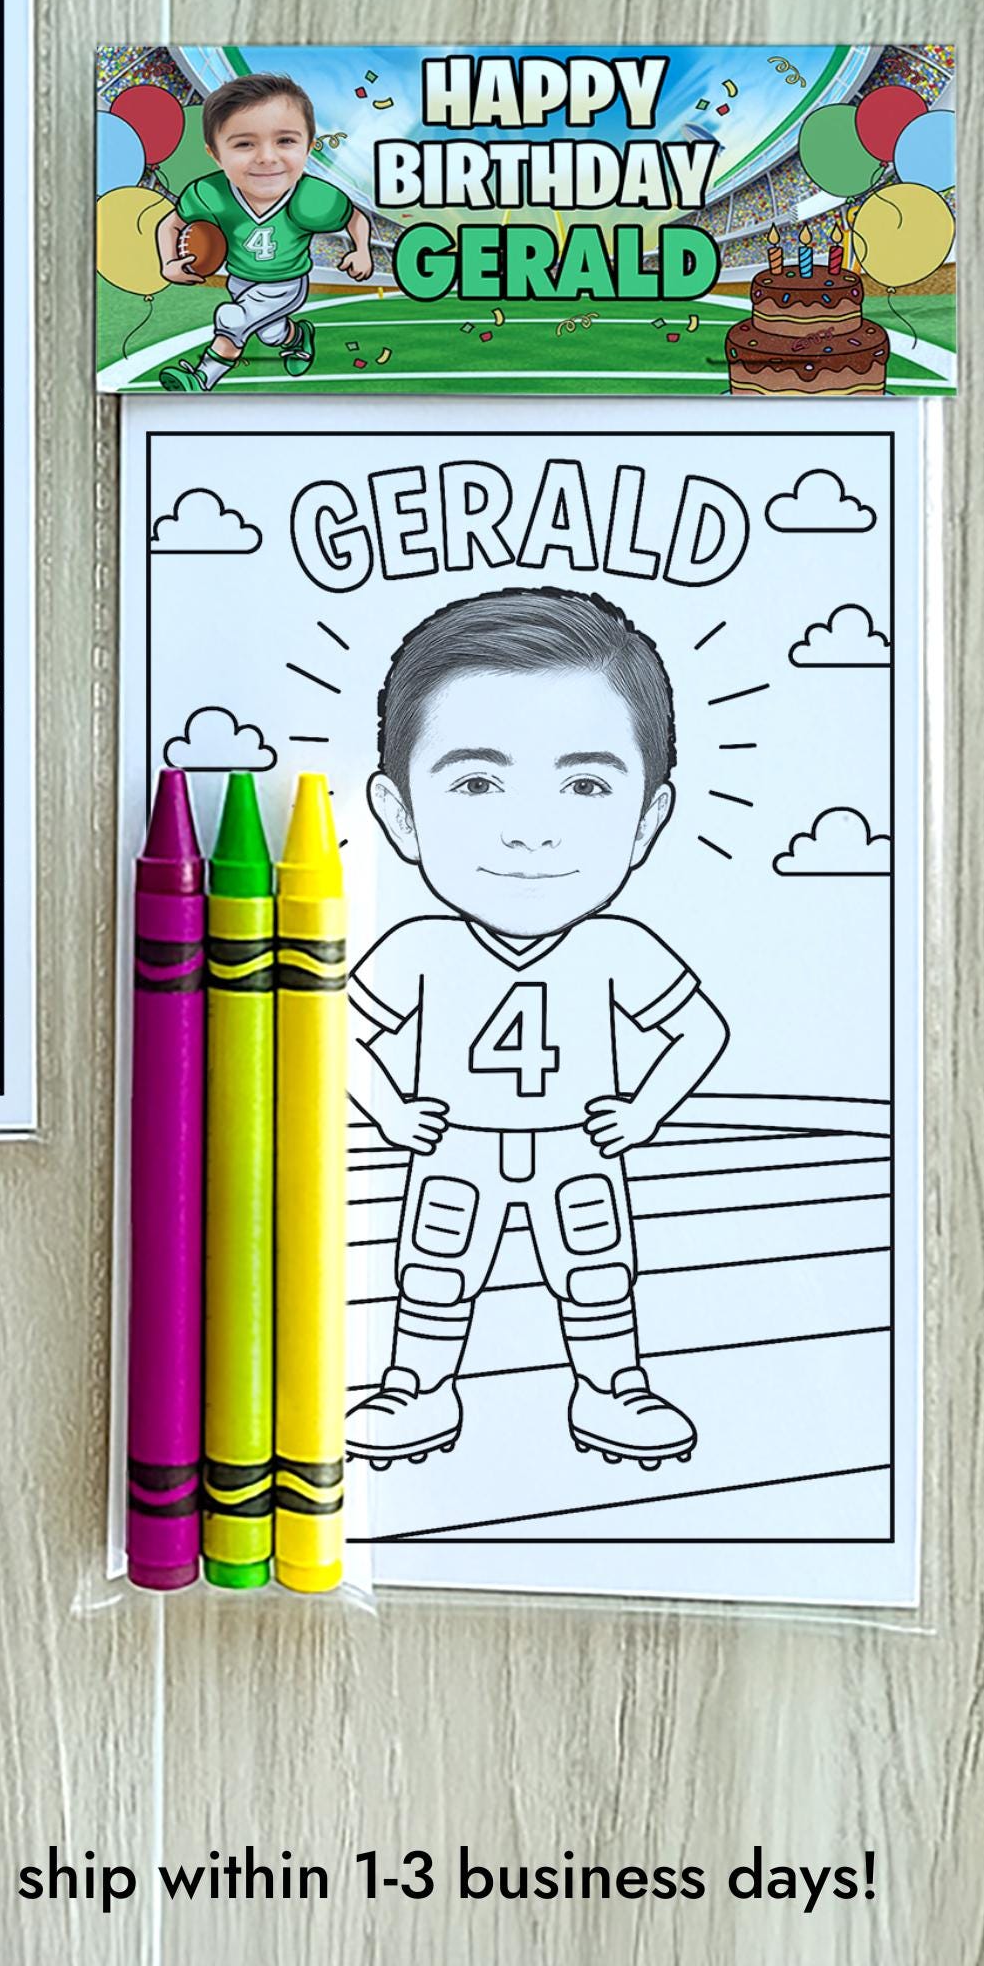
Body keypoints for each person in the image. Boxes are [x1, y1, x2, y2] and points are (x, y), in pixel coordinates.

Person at [344, 587, 729, 1469]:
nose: (530, 832)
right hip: (456, 1144)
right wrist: (392, 1111)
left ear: (648, 820)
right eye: (478, 783)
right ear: (399, 815)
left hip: (575, 1145)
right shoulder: (418, 948)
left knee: (596, 1271)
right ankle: (415, 1386)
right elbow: (338, 1034)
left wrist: (644, 1112)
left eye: (584, 784)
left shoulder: (620, 950)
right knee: (434, 1269)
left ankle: (614, 1386)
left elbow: (699, 1032)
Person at [152, 72, 371, 388]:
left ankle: (202, 378)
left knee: (233, 320)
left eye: (285, 141)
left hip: (285, 283)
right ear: (215, 154)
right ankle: (297, 336)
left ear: (309, 147)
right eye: (244, 144)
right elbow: (171, 223)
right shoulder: (209, 194)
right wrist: (168, 262)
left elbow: (355, 218)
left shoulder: (310, 199)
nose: (267, 158)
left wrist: (362, 251)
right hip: (239, 279)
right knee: (271, 333)